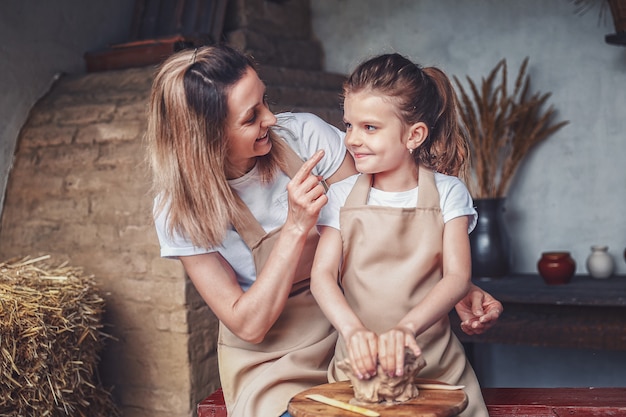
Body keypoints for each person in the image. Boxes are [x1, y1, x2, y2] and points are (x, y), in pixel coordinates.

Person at [146, 45, 500, 417]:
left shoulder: (306, 136)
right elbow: (248, 325)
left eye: (265, 100)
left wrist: (449, 282)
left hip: (352, 324)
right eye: (251, 117)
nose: (270, 118)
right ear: (206, 137)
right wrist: (296, 227)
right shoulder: (178, 210)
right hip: (276, 353)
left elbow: (374, 226)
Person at [310, 53, 489, 416]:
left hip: (438, 370)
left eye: (370, 128)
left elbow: (457, 278)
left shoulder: (449, 193)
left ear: (414, 135)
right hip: (356, 373)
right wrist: (353, 332)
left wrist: (407, 328)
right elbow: (322, 276)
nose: (352, 140)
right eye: (348, 126)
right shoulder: (342, 196)